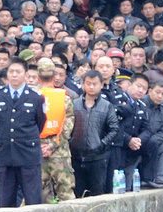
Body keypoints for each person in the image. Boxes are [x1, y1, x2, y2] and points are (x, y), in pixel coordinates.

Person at [0, 58, 46, 207]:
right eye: (11, 71)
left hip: (28, 155)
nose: (14, 75)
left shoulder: (36, 98)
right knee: (5, 200)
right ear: (7, 74)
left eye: (18, 71)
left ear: (26, 75)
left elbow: (40, 123)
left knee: (33, 199)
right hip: (5, 154)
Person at [69, 69, 119, 197]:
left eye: (94, 84)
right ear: (83, 84)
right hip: (76, 155)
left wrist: (101, 144)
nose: (91, 87)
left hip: (98, 157)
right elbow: (67, 127)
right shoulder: (74, 104)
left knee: (97, 192)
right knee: (78, 192)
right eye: (88, 83)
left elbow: (114, 129)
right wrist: (71, 142)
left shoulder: (106, 106)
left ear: (101, 85)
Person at [35, 57, 75, 202]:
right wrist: (52, 146)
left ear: (37, 77)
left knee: (36, 195)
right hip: (60, 152)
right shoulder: (65, 98)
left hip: (36, 152)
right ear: (54, 76)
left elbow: (27, 127)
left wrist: (40, 146)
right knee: (66, 194)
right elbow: (68, 127)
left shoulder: (31, 97)